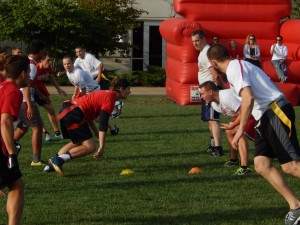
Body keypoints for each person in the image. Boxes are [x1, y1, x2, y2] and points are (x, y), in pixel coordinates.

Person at [207, 43, 300, 225]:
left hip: (274, 112)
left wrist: (240, 130)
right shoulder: (236, 67)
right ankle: (296, 206)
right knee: (261, 164)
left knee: (291, 166)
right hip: (264, 117)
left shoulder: (233, 68)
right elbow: (246, 102)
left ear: (213, 62)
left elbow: (248, 97)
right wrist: (236, 124)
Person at [44, 78, 131, 176]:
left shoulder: (106, 94)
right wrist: (101, 146)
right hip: (74, 113)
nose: (130, 91)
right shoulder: (110, 97)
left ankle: (51, 165)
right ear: (121, 88)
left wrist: (95, 133)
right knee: (90, 147)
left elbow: (90, 117)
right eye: (128, 89)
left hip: (69, 109)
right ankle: (58, 159)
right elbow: (103, 123)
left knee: (77, 142)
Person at [199, 81, 255, 175]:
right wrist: (232, 126)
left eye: (202, 93)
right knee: (229, 131)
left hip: (253, 111)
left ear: (211, 92)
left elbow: (244, 111)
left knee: (239, 133)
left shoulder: (225, 97)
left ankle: (244, 167)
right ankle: (234, 160)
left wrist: (234, 125)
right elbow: (238, 113)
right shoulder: (214, 105)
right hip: (244, 113)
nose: (201, 97)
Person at [0, 54, 30, 225]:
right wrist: (11, 153)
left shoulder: (2, 86)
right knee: (16, 185)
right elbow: (5, 120)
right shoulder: (13, 91)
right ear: (23, 74)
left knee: (15, 183)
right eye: (29, 72)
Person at [74, 46, 122, 134]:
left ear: (84, 50)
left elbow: (100, 65)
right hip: (92, 82)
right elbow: (73, 69)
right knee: (95, 113)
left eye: (80, 51)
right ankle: (112, 127)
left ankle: (117, 104)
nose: (78, 53)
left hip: (100, 77)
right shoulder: (77, 61)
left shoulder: (89, 57)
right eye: (77, 52)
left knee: (106, 99)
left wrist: (99, 77)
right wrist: (63, 72)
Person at [191, 30, 224, 157]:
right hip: (205, 91)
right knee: (210, 119)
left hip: (211, 90)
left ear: (204, 39)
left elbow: (215, 74)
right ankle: (213, 144)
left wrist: (220, 88)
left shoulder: (206, 53)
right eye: (193, 41)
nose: (195, 43)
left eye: (197, 40)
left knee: (213, 119)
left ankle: (218, 148)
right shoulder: (202, 52)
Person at [14, 40, 45, 166]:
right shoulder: (31, 65)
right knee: (37, 128)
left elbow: (30, 83)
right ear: (40, 51)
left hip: (19, 101)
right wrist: (29, 105)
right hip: (25, 101)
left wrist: (41, 95)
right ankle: (36, 160)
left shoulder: (26, 61)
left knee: (22, 128)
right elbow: (26, 85)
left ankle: (5, 150)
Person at [33, 52, 67, 141]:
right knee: (36, 113)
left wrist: (58, 89)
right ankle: (46, 133)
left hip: (41, 88)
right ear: (41, 60)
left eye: (50, 60)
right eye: (48, 60)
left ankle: (57, 133)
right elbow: (32, 84)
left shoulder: (48, 68)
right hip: (32, 90)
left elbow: (51, 78)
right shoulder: (35, 69)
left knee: (51, 109)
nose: (50, 62)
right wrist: (41, 96)